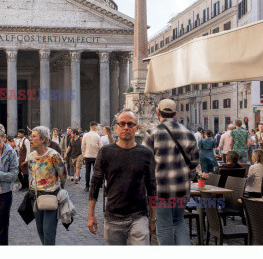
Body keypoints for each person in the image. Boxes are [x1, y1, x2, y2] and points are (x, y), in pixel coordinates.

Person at [88, 109, 156, 245]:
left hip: (139, 217)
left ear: (136, 128)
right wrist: (91, 215)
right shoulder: (105, 152)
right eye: (122, 124)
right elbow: (95, 184)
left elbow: (152, 187)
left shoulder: (146, 153)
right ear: (116, 127)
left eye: (130, 124)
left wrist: (152, 218)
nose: (126, 127)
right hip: (113, 217)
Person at [142, 99, 199, 245]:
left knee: (164, 226)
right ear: (175, 113)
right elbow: (194, 163)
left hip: (160, 190)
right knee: (178, 221)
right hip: (182, 189)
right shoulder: (188, 133)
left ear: (158, 113)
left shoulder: (151, 133)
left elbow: (144, 164)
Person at [28, 126, 67, 245]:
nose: (30, 139)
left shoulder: (53, 155)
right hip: (35, 198)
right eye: (31, 136)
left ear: (42, 139)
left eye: (34, 136)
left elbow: (63, 175)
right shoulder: (31, 157)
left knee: (48, 233)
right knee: (40, 231)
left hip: (51, 197)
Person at [81, 121, 101, 192]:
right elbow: (100, 147)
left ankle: (87, 186)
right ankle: (96, 186)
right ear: (95, 127)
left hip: (87, 155)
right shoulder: (98, 136)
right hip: (95, 156)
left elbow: (83, 146)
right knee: (95, 172)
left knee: (87, 171)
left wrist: (83, 155)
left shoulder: (85, 135)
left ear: (90, 127)